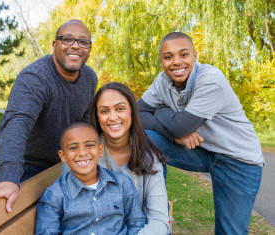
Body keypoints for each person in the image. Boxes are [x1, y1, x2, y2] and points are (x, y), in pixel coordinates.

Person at [137, 32, 265, 234]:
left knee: (230, 231)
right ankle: (158, 214)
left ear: (195, 56)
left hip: (238, 160)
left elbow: (181, 127)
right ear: (161, 61)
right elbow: (138, 112)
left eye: (184, 54)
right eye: (168, 57)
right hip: (201, 151)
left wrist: (161, 112)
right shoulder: (162, 81)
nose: (176, 62)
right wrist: (173, 135)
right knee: (147, 140)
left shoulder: (210, 79)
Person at [0, 20, 98, 213]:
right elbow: (17, 125)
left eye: (83, 42)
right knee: (27, 217)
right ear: (54, 44)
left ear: (89, 48)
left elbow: (83, 122)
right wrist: (8, 177)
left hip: (62, 161)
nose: (75, 45)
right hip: (26, 162)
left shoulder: (90, 78)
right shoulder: (35, 78)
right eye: (67, 39)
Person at [63, 82, 171, 235]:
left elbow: (159, 220)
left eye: (120, 109)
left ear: (132, 112)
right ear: (97, 117)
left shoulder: (150, 159)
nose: (113, 117)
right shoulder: (79, 157)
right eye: (104, 111)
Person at [35, 122, 146, 235]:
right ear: (62, 155)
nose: (82, 153)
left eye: (89, 145)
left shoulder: (122, 183)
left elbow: (136, 222)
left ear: (100, 150)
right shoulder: (54, 195)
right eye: (73, 148)